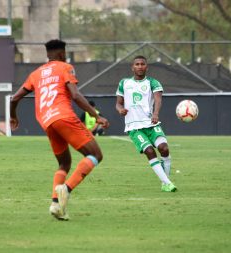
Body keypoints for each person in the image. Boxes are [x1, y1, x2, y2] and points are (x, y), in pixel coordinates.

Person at [10, 39, 109, 220]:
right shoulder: (65, 67)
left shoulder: (36, 74)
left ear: (48, 54)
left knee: (64, 163)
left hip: (47, 121)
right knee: (96, 155)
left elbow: (14, 99)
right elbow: (76, 95)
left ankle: (56, 204)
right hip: (64, 116)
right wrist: (96, 116)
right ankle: (66, 189)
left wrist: (13, 116)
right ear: (63, 54)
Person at [115, 55, 177, 192]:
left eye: (142, 64)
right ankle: (167, 183)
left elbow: (158, 99)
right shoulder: (124, 83)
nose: (140, 66)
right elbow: (118, 103)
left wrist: (155, 114)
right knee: (149, 151)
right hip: (134, 127)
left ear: (146, 67)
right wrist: (120, 110)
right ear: (132, 67)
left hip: (151, 123)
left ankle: (165, 182)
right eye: (137, 64)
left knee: (164, 149)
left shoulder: (153, 82)